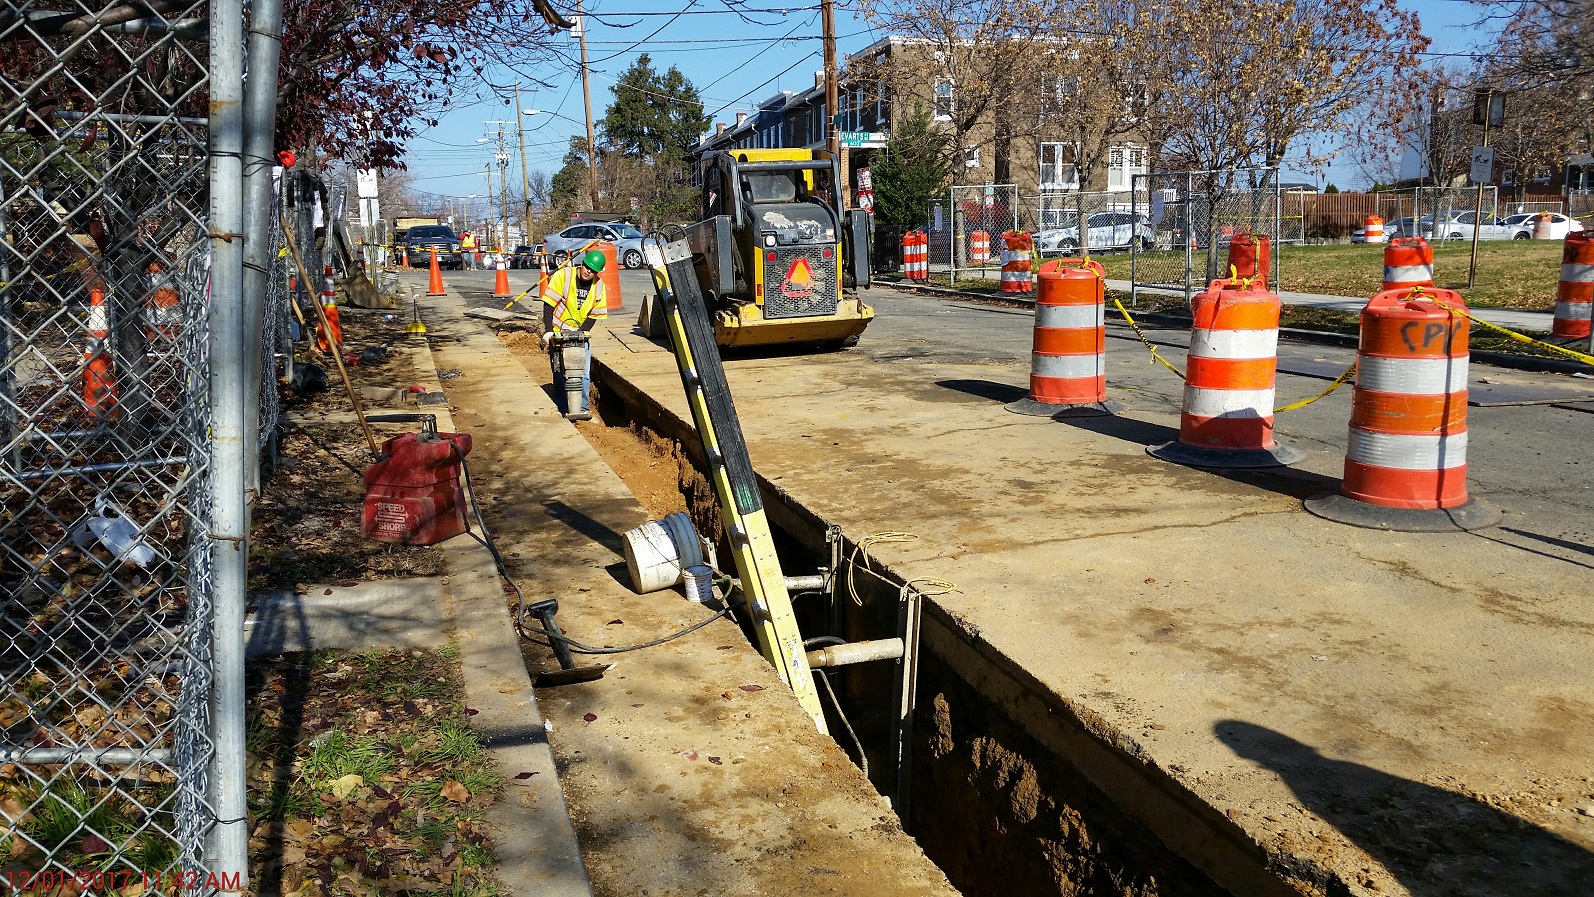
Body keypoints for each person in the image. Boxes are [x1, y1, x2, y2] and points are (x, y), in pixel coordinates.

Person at [541, 249, 609, 417]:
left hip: (580, 333)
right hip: (558, 331)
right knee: (559, 371)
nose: (588, 272)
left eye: (593, 270)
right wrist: (549, 331)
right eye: (587, 267)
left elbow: (594, 315)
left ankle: (582, 409)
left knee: (583, 373)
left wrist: (580, 333)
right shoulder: (564, 276)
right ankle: (562, 407)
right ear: (582, 264)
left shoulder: (599, 286)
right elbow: (549, 304)